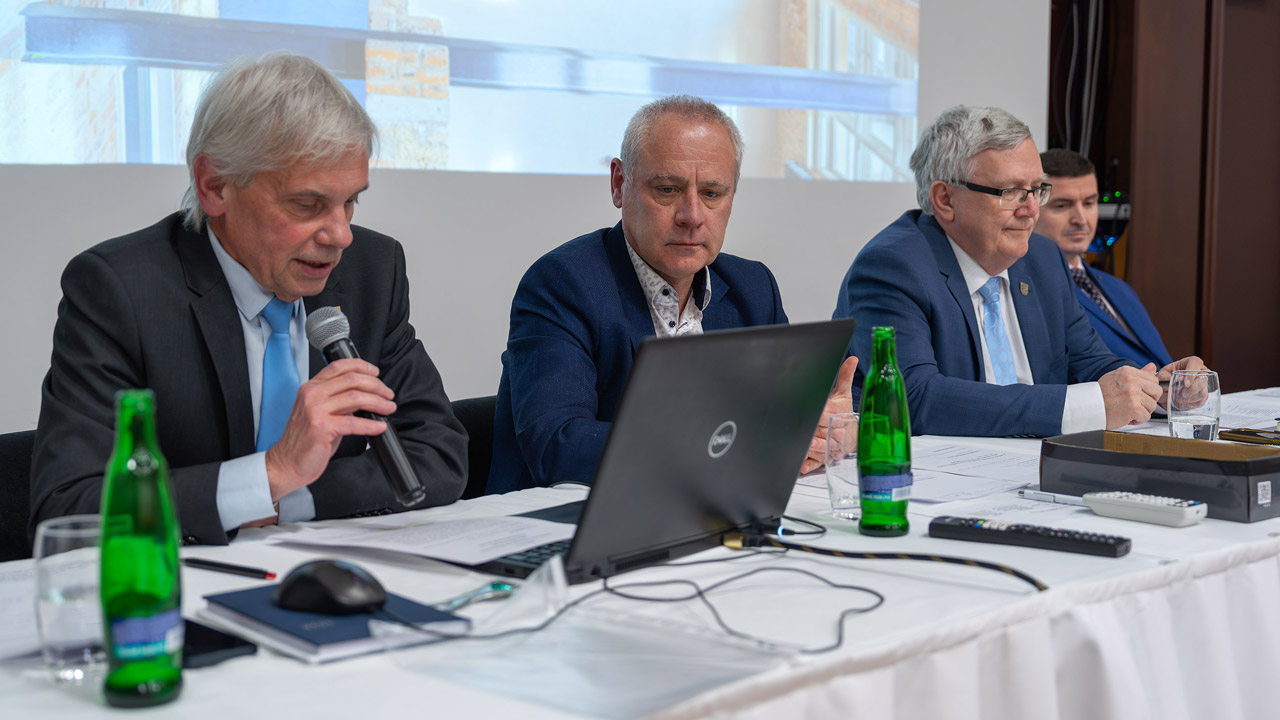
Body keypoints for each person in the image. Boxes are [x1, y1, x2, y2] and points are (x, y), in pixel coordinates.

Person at [30, 52, 467, 545]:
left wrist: (283, 498)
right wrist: (271, 473)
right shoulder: (120, 290)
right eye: (307, 204)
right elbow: (70, 506)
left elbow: (437, 455)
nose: (341, 236)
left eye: (350, 201)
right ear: (214, 186)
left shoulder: (373, 269)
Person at [489, 95, 857, 494]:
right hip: (557, 520)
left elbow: (786, 415)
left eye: (712, 194)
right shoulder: (562, 284)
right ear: (619, 183)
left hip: (711, 511)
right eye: (667, 189)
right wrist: (724, 446)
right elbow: (558, 446)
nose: (692, 217)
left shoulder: (753, 287)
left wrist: (827, 430)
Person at [832, 105, 1204, 437]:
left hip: (1040, 463)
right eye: (1010, 192)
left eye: (1036, 189)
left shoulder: (1043, 258)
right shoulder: (893, 267)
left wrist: (1155, 388)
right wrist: (1080, 407)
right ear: (945, 199)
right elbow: (912, 397)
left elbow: (1088, 361)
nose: (1030, 210)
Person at [1035, 148, 1172, 367]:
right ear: (1031, 209)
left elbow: (1159, 363)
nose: (1081, 219)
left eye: (1089, 203)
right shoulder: (1028, 293)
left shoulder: (1120, 289)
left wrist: (1182, 376)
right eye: (1062, 206)